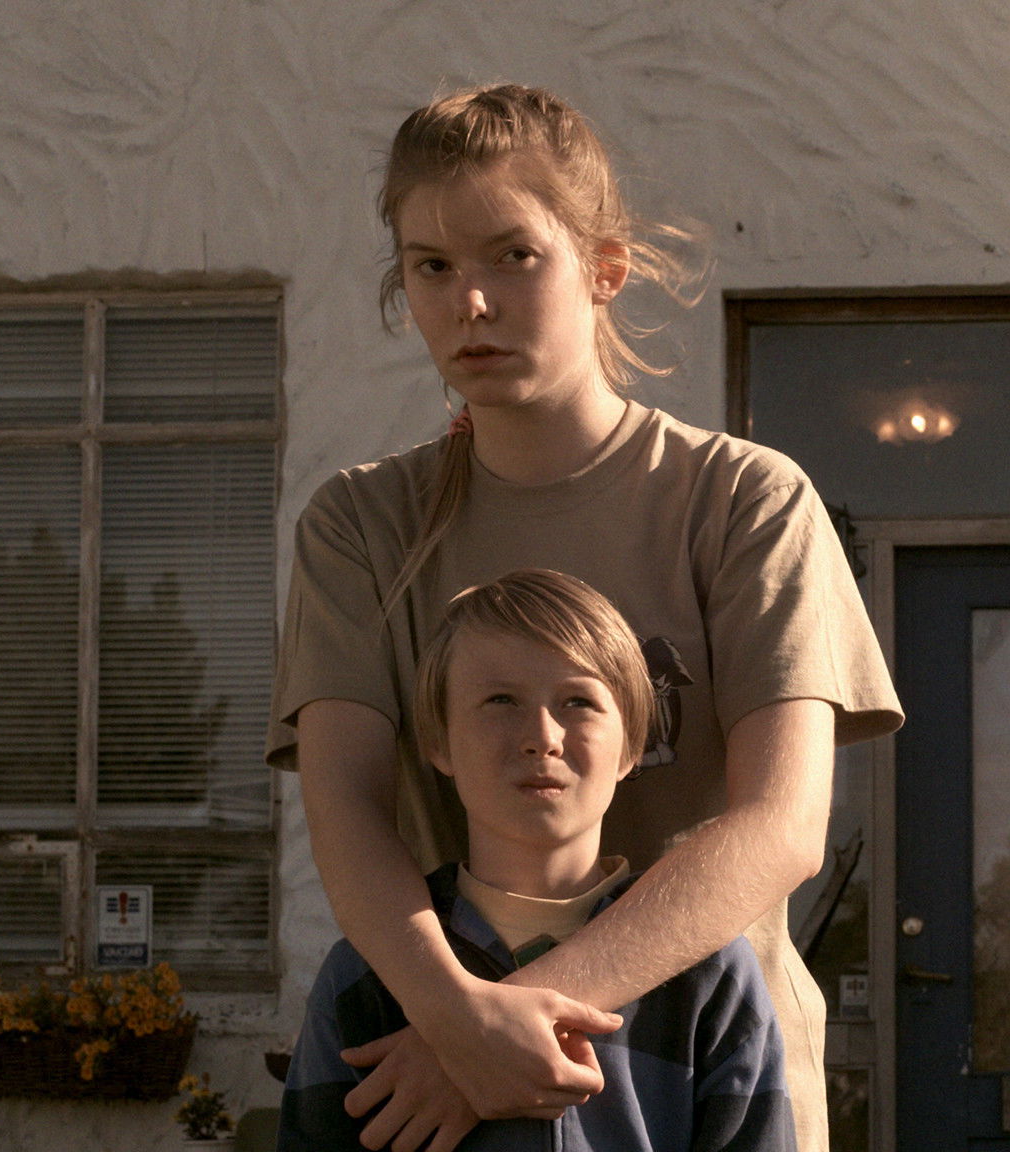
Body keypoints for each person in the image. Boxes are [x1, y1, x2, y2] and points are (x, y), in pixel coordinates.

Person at [269, 83, 902, 1152]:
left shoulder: (743, 502)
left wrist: (501, 1024)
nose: (470, 302)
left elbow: (780, 827)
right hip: (443, 1100)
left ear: (603, 268)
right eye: (431, 266)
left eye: (513, 255)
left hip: (707, 1084)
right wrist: (454, 1011)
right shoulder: (361, 525)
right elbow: (344, 811)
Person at [281, 569, 795, 1151]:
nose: (542, 736)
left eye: (578, 702)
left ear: (632, 746)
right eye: (501, 700)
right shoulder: (366, 975)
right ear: (439, 742)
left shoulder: (710, 974)